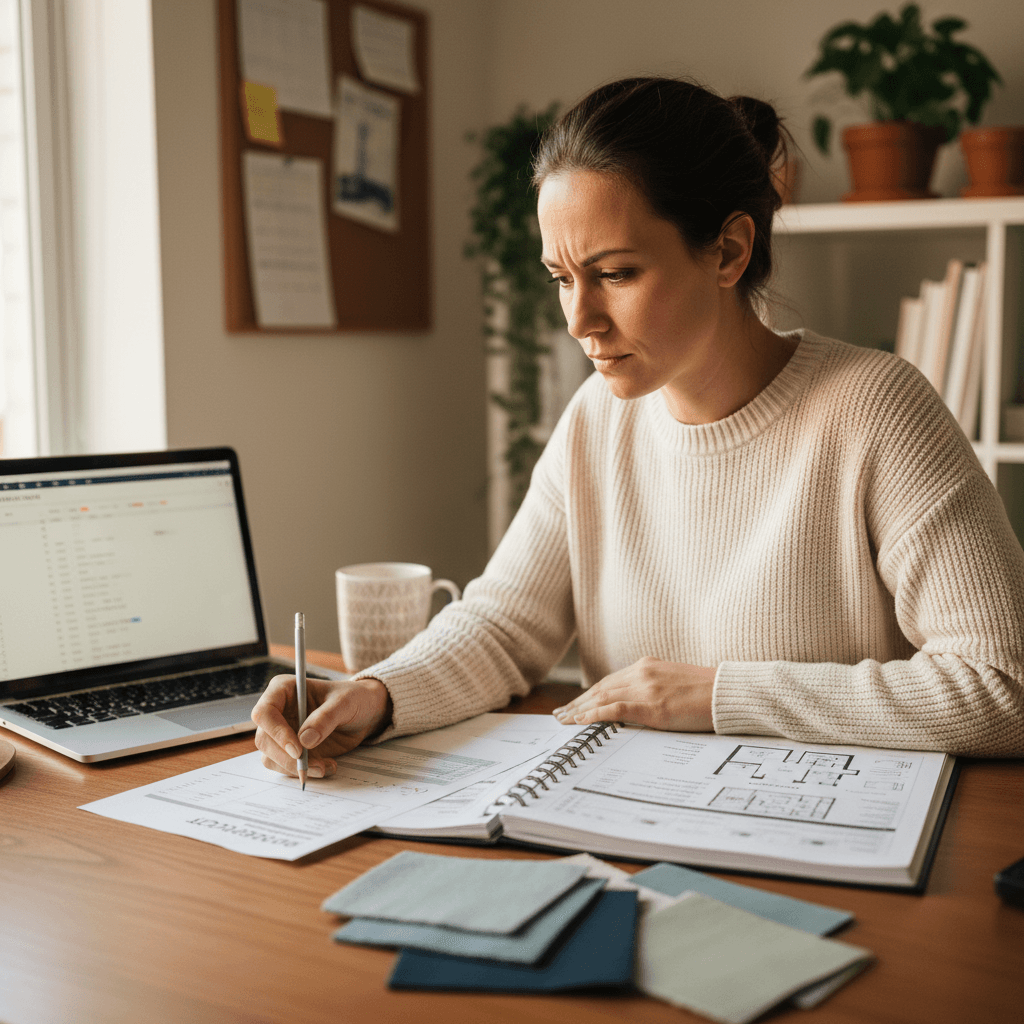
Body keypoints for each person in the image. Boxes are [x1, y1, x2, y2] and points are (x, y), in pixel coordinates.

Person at [253, 76, 1024, 780]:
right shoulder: (599, 417)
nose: (579, 320)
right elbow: (503, 624)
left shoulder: (877, 409)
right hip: (626, 832)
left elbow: (1004, 683)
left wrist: (718, 694)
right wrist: (376, 694)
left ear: (727, 251)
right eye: (562, 278)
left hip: (828, 846)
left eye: (615, 274)